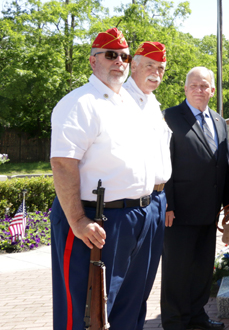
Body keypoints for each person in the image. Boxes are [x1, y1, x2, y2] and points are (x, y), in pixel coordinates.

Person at [50, 27, 158, 330]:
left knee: (129, 306)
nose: (120, 62)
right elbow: (62, 163)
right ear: (92, 61)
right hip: (96, 220)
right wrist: (78, 220)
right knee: (86, 312)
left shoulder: (127, 102)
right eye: (111, 55)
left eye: (124, 56)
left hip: (137, 216)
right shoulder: (79, 102)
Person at [161, 66, 229, 330]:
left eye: (204, 86)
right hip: (178, 213)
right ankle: (175, 321)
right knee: (176, 272)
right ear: (185, 88)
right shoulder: (168, 118)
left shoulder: (219, 121)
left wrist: (228, 206)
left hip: (209, 212)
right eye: (194, 85)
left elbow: (220, 165)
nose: (199, 90)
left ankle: (196, 316)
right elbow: (163, 164)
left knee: (202, 270)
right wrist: (168, 204)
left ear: (212, 90)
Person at [124, 41, 172, 320]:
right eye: (150, 66)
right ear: (134, 65)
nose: (156, 73)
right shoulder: (121, 100)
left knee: (142, 284)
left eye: (161, 69)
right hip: (130, 203)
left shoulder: (153, 103)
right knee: (122, 284)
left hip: (156, 200)